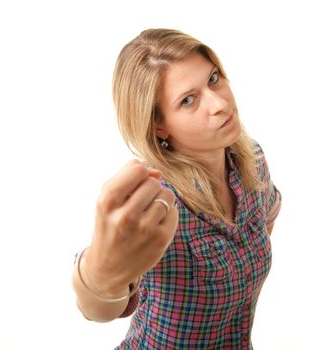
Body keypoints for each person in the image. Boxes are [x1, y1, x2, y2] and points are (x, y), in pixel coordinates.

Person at [72, 28, 282, 349]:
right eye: (188, 100)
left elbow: (261, 232)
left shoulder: (251, 160)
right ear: (159, 126)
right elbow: (99, 307)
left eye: (213, 79)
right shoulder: (156, 199)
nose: (219, 103)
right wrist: (99, 276)